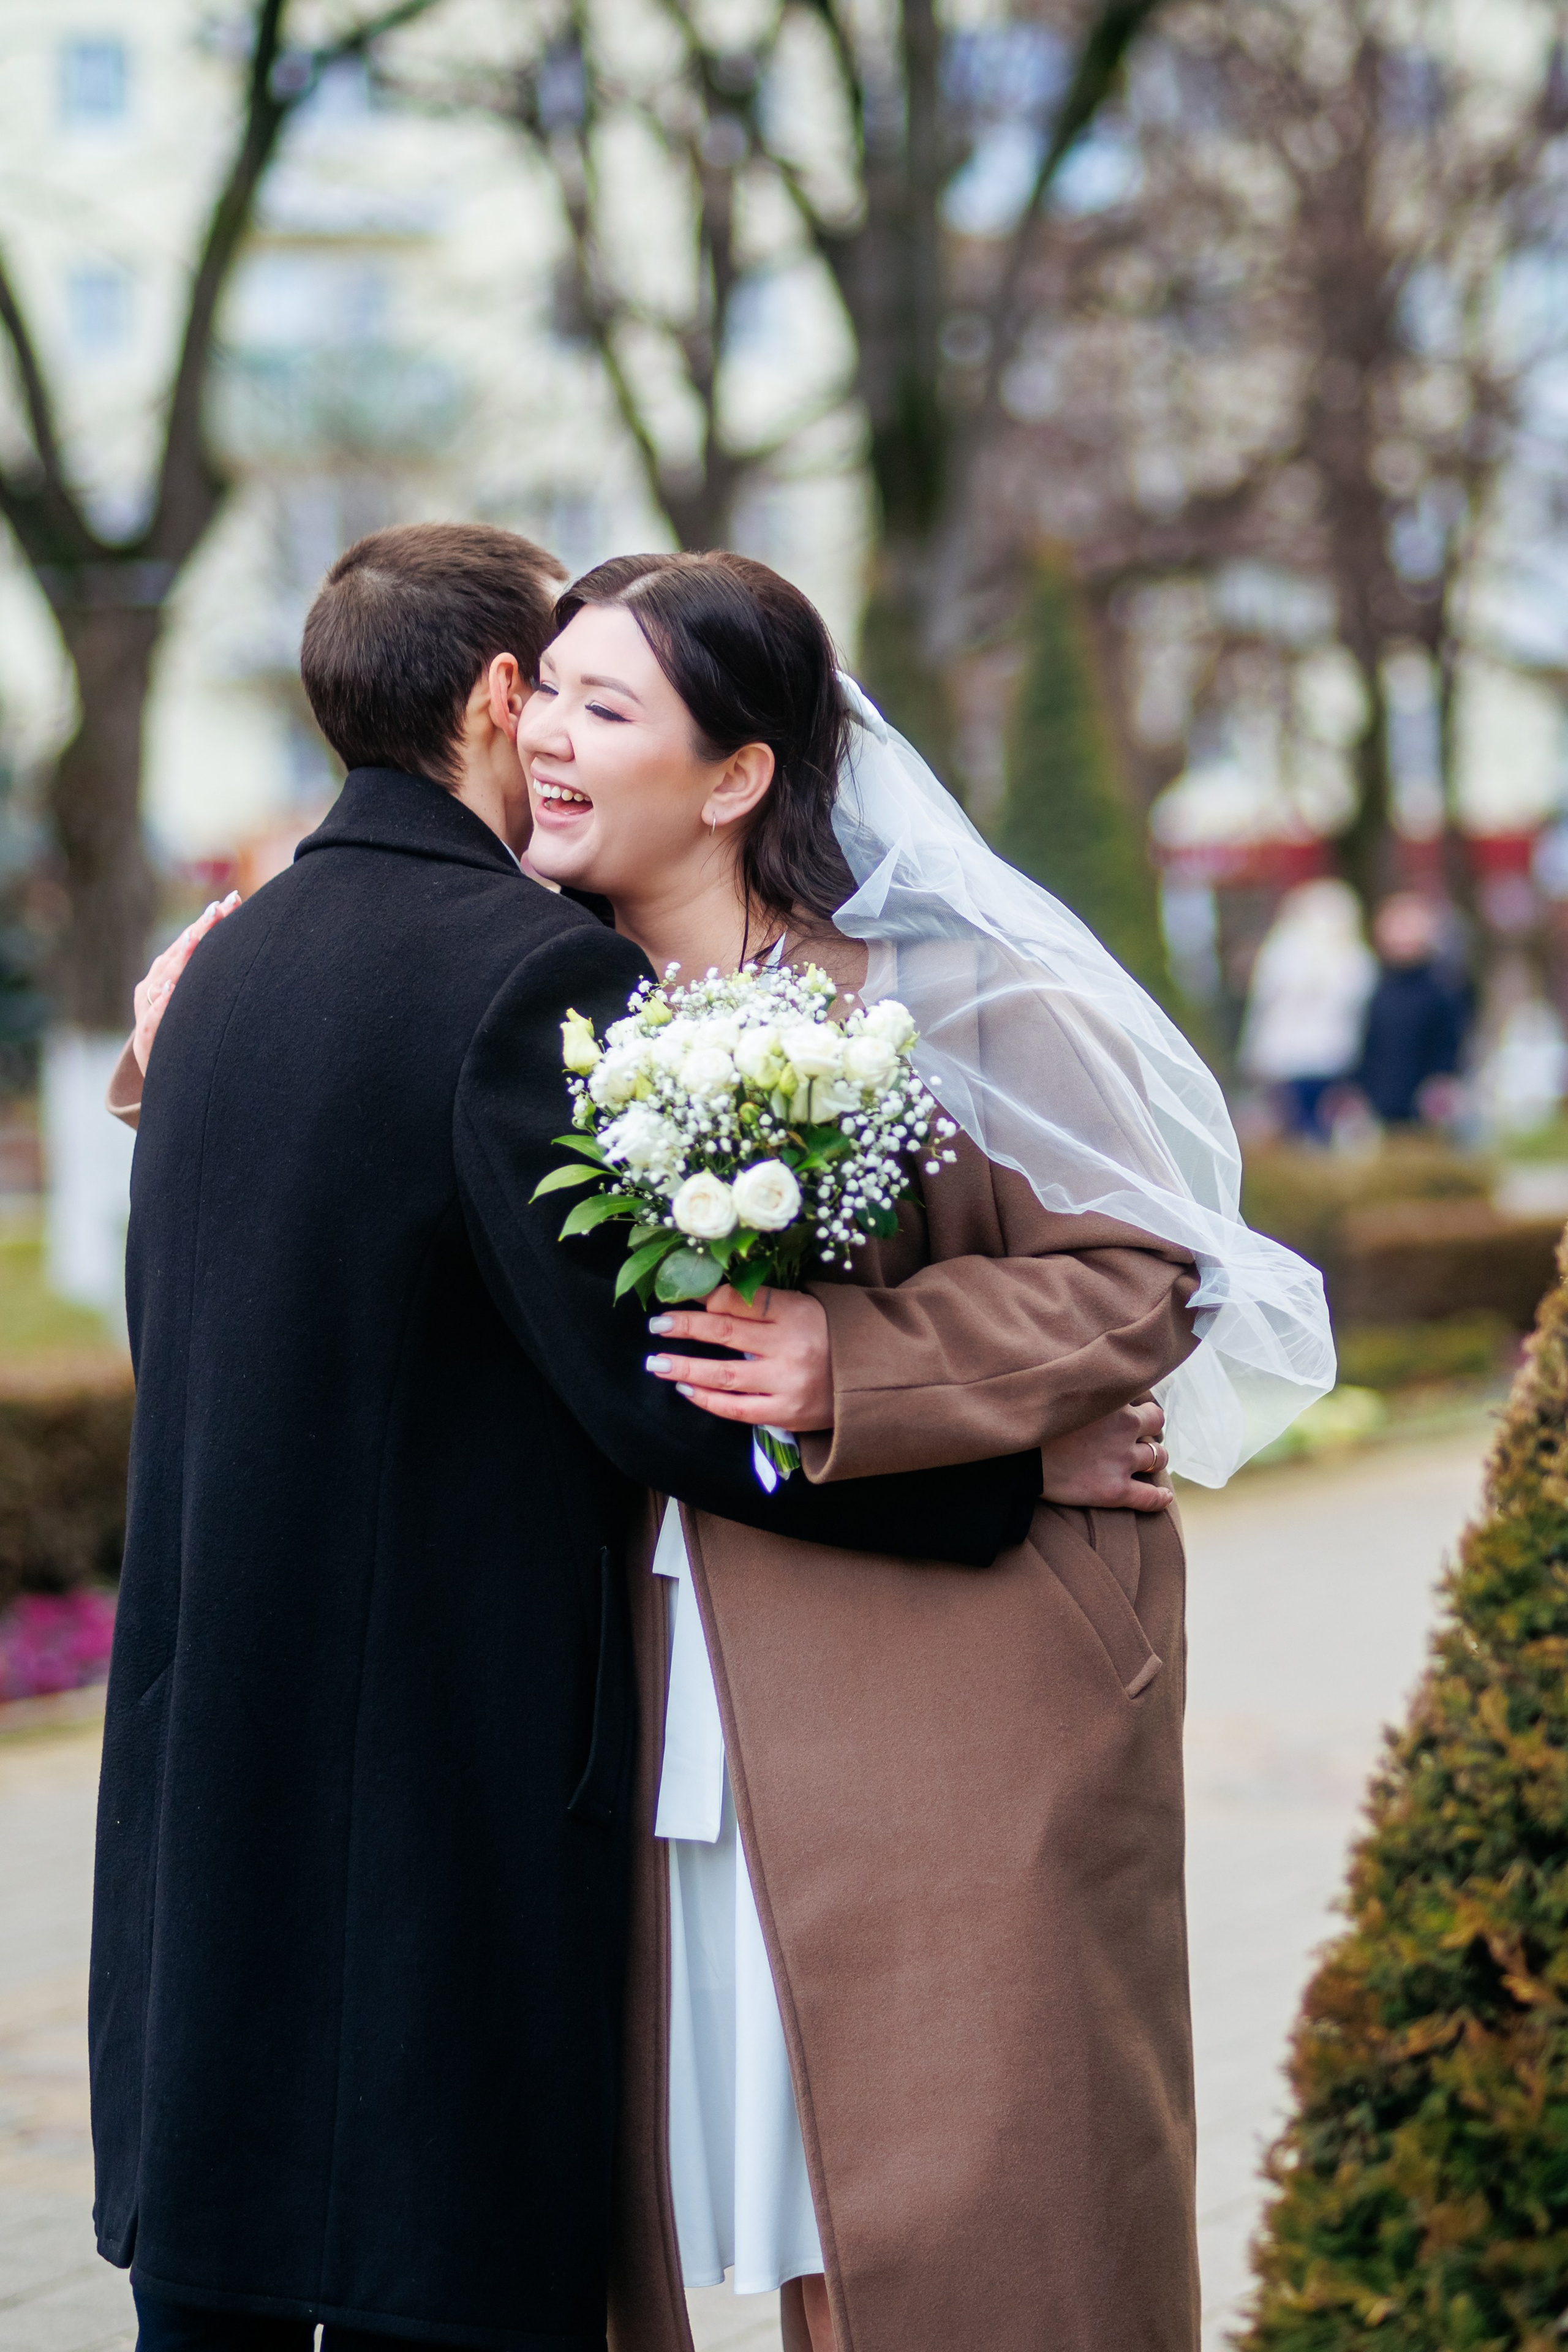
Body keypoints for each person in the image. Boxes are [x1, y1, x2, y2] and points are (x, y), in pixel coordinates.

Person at [124, 545, 1332, 2352]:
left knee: (942, 2222)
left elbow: (1147, 1266)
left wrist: (864, 1359)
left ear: (735, 772)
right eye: (545, 691)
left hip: (940, 1695)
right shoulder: (554, 991)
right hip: (637, 1717)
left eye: (600, 705)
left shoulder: (941, 986)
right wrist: (180, 1037)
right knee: (718, 2202)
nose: (541, 735)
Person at [1238, 877, 1377, 1140]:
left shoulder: (1343, 955)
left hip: (1316, 1054)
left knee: (1310, 1121)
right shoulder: (1289, 950)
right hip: (1307, 1054)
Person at [1356, 891, 1471, 1126]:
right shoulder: (1374, 986)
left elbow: (1450, 1045)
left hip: (1426, 1104)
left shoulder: (1442, 988)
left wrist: (1442, 1085)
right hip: (1379, 1099)